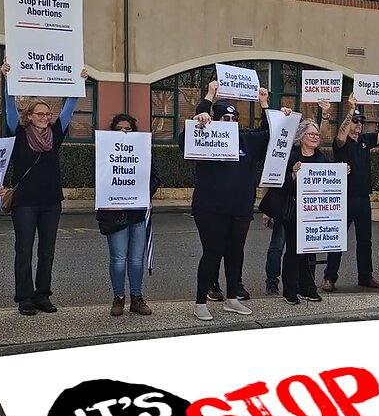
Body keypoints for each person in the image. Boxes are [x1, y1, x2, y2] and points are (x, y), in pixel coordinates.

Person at [182, 83, 290, 321]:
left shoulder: (247, 139)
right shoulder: (205, 134)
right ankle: (201, 302)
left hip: (240, 208)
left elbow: (270, 134)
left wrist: (266, 105)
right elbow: (186, 140)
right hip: (210, 208)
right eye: (225, 117)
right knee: (212, 252)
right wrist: (207, 99)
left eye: (233, 117)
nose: (230, 121)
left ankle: (232, 298)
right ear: (216, 119)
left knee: (235, 253)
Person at [1, 61, 85, 315]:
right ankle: (24, 297)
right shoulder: (19, 132)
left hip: (51, 202)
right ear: (28, 116)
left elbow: (69, 107)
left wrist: (78, 81)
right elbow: (9, 107)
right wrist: (7, 80)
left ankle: (42, 295)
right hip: (25, 202)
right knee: (24, 249)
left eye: (47, 114)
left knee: (47, 251)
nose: (45, 118)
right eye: (39, 114)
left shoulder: (56, 134)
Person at [323, 95, 379, 291]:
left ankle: (365, 276)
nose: (358, 125)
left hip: (363, 198)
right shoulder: (340, 143)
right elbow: (340, 134)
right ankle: (329, 277)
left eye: (361, 122)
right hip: (344, 198)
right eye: (355, 121)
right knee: (337, 239)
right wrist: (350, 110)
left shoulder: (365, 140)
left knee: (365, 240)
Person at [98, 114, 162, 316]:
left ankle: (136, 297)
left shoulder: (142, 151)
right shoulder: (104, 151)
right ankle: (118, 298)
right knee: (118, 259)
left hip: (137, 212)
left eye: (128, 128)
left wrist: (144, 194)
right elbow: (100, 179)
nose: (124, 131)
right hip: (114, 213)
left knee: (136, 259)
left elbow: (155, 177)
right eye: (119, 128)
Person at [278, 117, 346, 304]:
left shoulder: (321, 157)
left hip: (314, 213)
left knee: (309, 251)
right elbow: (280, 184)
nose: (315, 137)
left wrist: (341, 174)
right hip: (293, 211)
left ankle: (307, 288)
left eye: (317, 134)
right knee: (293, 251)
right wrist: (292, 173)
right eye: (311, 134)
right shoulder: (291, 156)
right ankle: (289, 290)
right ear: (301, 136)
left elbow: (327, 181)